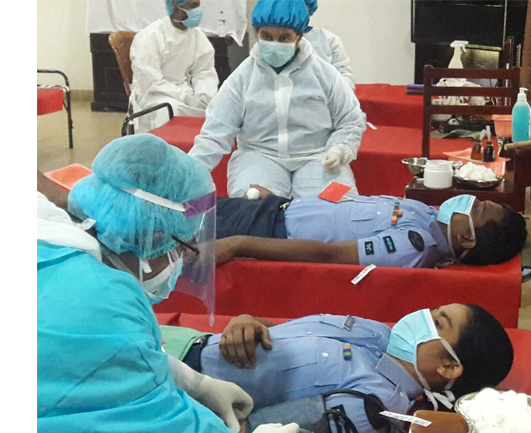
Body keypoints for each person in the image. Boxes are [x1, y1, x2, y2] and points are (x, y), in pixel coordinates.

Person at [37, 134, 298, 433]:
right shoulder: (105, 304)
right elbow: (153, 411)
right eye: (184, 244)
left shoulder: (49, 235)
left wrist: (193, 382)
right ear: (155, 238)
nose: (185, 258)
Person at [161, 304, 514, 433]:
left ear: (450, 366)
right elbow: (295, 332)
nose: (421, 315)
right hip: (178, 342)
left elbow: (249, 428)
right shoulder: (379, 333)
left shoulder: (369, 405)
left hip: (169, 395)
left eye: (438, 321)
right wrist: (248, 321)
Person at [189, 0, 366, 199]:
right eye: (266, 36)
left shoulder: (324, 74)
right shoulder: (243, 77)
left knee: (337, 207)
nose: (274, 45)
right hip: (258, 157)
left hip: (317, 157)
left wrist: (340, 148)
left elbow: (351, 119)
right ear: (257, 33)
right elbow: (214, 133)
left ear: (299, 37)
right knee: (252, 207)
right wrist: (188, 176)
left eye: (284, 38)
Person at [214, 186, 527, 268]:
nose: (471, 200)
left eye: (479, 208)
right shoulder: (426, 215)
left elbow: (327, 255)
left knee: (170, 222)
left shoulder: (412, 246)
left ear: (466, 238)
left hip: (262, 230)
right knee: (186, 204)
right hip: (270, 207)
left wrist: (238, 244)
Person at [129, 0, 220, 133]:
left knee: (215, 112)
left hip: (185, 92)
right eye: (193, 6)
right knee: (170, 111)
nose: (198, 11)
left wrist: (204, 95)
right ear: (177, 8)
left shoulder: (197, 36)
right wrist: (184, 96)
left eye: (198, 5)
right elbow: (150, 82)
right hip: (153, 95)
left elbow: (204, 71)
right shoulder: (150, 36)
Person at [302, 0, 355, 91]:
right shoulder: (273, 43)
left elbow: (345, 78)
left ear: (309, 7)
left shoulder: (329, 40)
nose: (294, 11)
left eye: (300, 6)